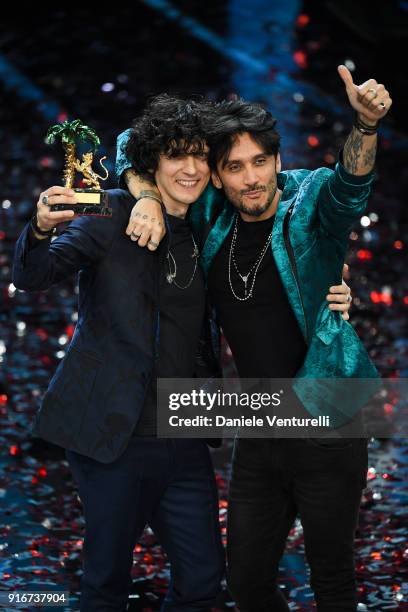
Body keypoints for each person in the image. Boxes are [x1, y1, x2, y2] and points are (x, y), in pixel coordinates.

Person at [115, 66, 391, 611]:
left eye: (260, 162)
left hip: (329, 420)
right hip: (262, 424)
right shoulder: (212, 213)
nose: (251, 179)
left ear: (278, 161)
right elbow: (130, 142)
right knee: (246, 583)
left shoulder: (309, 202)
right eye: (235, 167)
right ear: (216, 177)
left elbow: (349, 188)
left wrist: (364, 125)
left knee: (332, 580)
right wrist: (145, 197)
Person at [12, 96, 225, 612]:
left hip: (183, 432)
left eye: (200, 156)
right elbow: (33, 276)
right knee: (106, 579)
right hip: (110, 433)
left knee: (203, 581)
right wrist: (39, 229)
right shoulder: (109, 211)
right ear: (152, 164)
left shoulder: (210, 227)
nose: (191, 168)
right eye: (177, 155)